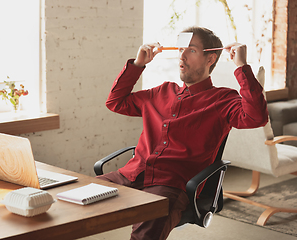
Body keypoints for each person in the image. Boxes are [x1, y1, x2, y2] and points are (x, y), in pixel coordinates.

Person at [97, 26, 269, 240]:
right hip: (130, 174)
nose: (182, 55)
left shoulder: (223, 99)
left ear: (210, 58)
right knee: (73, 200)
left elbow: (256, 117)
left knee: (145, 234)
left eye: (191, 50)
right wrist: (138, 64)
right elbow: (115, 102)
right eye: (180, 49)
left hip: (169, 185)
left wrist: (242, 66)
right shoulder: (161, 92)